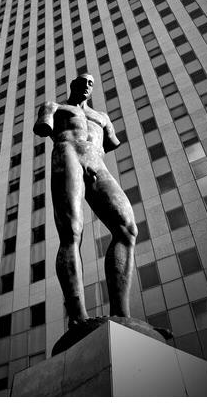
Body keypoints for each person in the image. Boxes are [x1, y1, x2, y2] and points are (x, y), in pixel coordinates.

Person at [33, 73, 138, 328]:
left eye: (91, 83)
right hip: (67, 153)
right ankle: (78, 315)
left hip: (96, 161)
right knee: (71, 231)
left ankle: (121, 315)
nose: (87, 85)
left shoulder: (102, 117)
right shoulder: (54, 106)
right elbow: (43, 128)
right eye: (83, 81)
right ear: (72, 85)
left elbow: (111, 143)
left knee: (128, 229)